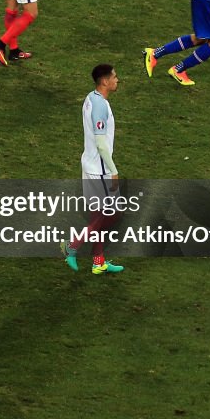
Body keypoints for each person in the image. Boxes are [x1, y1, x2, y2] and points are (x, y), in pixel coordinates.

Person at [62, 64, 125, 275]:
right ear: (105, 81)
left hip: (90, 164)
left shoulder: (91, 98)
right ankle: (73, 245)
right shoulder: (100, 106)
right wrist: (113, 170)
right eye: (114, 77)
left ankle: (98, 261)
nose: (117, 80)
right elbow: (100, 143)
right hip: (100, 170)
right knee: (112, 214)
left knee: (98, 215)